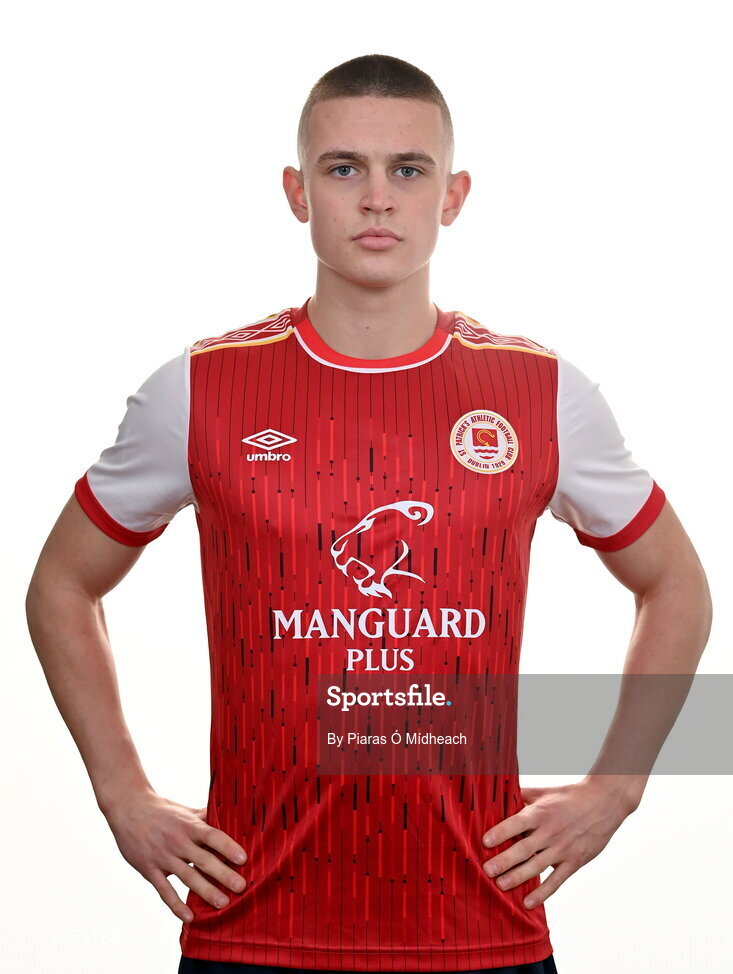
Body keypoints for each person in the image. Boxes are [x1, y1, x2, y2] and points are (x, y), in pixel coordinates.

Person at [25, 54, 711, 974]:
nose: (377, 199)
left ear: (454, 194)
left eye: (409, 170)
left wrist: (616, 785)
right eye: (343, 169)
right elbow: (61, 583)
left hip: (480, 930)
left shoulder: (541, 393)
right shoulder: (202, 389)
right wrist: (121, 793)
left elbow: (676, 585)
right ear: (296, 191)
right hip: (253, 927)